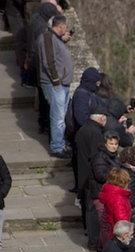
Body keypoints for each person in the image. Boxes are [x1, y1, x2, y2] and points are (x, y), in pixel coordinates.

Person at [37, 14, 73, 158]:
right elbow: (49, 61)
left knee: (61, 117)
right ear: (60, 26)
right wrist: (56, 80)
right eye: (66, 26)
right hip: (55, 84)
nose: (67, 28)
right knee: (57, 117)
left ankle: (61, 144)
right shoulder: (47, 37)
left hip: (62, 84)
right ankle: (57, 147)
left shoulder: (55, 38)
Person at [97, 168, 132, 245]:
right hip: (121, 237)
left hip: (115, 235)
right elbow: (122, 222)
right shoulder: (118, 199)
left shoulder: (114, 195)